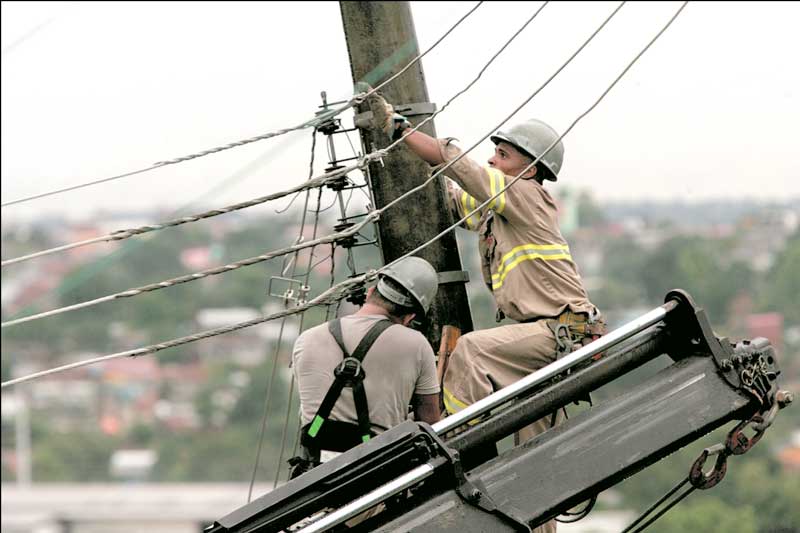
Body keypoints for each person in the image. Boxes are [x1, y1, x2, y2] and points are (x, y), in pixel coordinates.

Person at [366, 90, 605, 451]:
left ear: (530, 170)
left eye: (503, 155)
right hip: (547, 335)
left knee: (472, 352)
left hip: (559, 331)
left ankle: (456, 444)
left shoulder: (526, 195)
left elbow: (462, 167)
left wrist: (400, 129)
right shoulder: (501, 210)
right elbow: (455, 197)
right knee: (535, 435)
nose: (492, 159)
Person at [289, 256, 441, 478]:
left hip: (314, 474)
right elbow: (429, 424)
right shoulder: (416, 344)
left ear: (370, 293)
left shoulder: (307, 339)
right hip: (376, 472)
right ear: (410, 317)